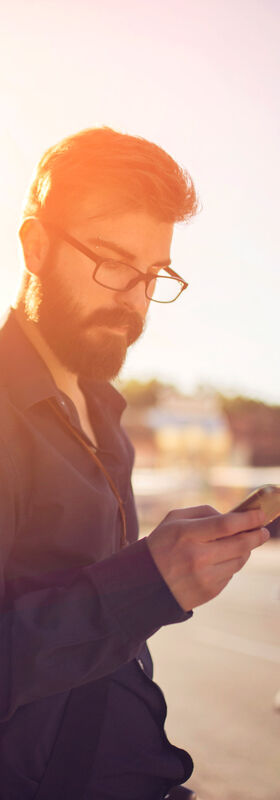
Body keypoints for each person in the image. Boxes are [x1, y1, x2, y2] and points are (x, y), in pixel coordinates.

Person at [0, 127, 269, 800]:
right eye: (113, 263)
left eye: (153, 275)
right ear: (36, 245)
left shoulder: (105, 414)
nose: (133, 299)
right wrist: (149, 580)